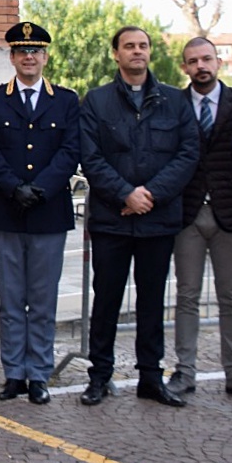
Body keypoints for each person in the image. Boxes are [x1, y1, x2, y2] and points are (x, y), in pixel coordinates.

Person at [78, 26, 199, 408]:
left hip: (157, 220)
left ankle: (151, 377)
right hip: (112, 219)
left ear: (150, 53)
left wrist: (150, 195)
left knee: (152, 301)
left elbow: (187, 154)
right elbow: (90, 156)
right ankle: (99, 377)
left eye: (143, 46)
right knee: (107, 300)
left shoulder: (176, 101)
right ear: (116, 54)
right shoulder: (96, 102)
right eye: (128, 46)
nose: (137, 52)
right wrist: (125, 194)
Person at [0, 22, 79, 405]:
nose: (29, 57)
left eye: (35, 51)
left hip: (48, 214)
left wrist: (42, 188)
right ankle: (13, 373)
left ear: (45, 57)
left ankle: (39, 375)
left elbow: (70, 151)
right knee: (12, 301)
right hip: (7, 211)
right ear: (12, 57)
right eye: (21, 51)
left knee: (43, 301)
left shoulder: (66, 100)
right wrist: (13, 186)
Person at [167, 37, 232, 402]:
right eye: (193, 61)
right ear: (185, 67)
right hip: (188, 212)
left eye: (206, 58)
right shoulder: (174, 105)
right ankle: (185, 371)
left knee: (231, 297)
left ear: (218, 61)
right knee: (187, 295)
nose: (200, 66)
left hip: (231, 213)